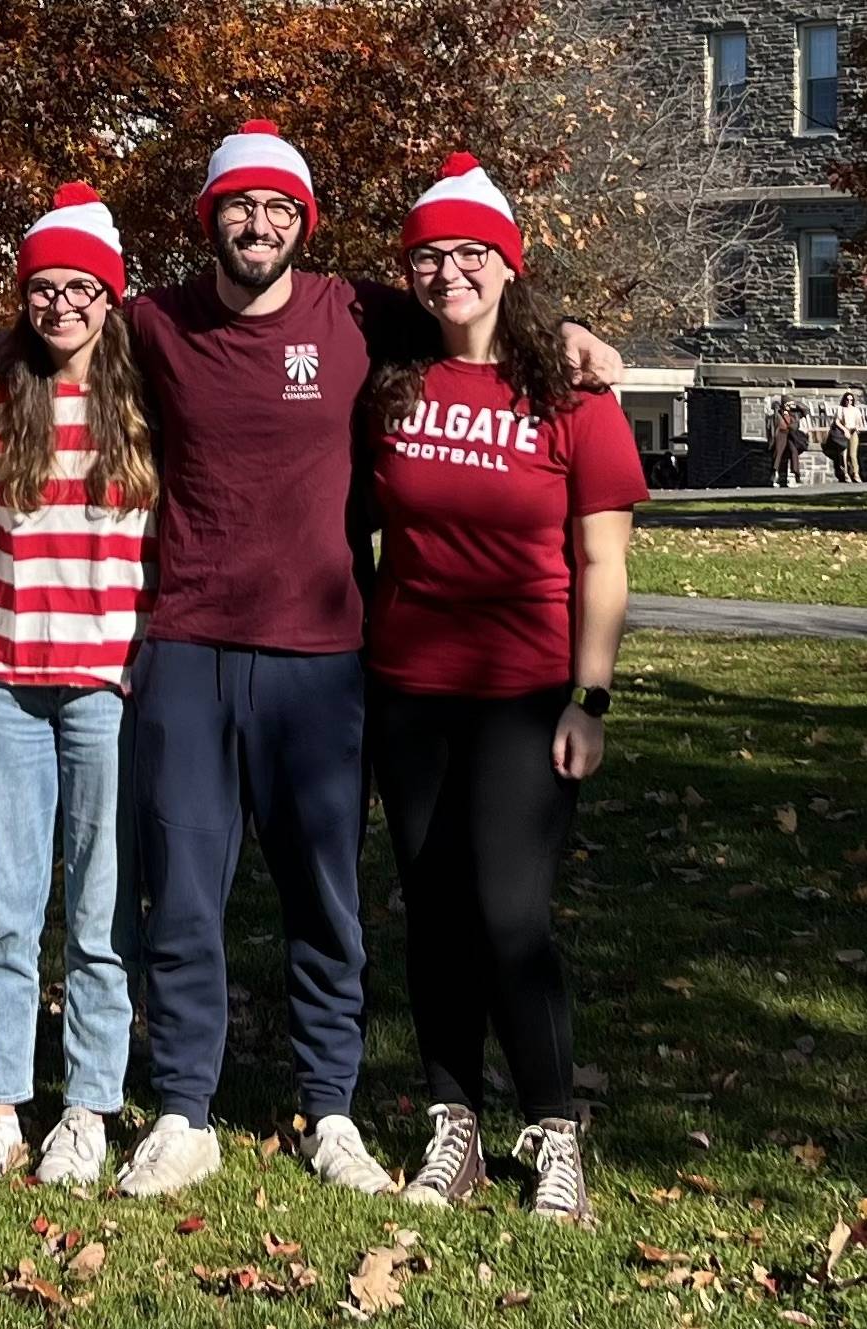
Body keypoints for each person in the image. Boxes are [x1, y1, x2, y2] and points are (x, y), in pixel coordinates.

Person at [114, 121, 624, 1199]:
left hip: (323, 656)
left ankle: (332, 1107)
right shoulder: (150, 322)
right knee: (186, 895)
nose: (257, 225)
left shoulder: (356, 315)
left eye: (280, 210)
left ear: (304, 223)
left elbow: (479, 304)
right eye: (238, 208)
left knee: (328, 899)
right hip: (191, 645)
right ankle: (180, 1110)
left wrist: (572, 331)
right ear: (207, 216)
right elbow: (32, 344)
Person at [365, 154, 647, 1223]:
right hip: (406, 689)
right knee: (431, 913)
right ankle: (453, 1125)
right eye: (428, 256)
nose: (447, 273)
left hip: (526, 691)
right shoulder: (386, 380)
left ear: (506, 266)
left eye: (469, 253)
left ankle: (554, 1128)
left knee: (507, 912)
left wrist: (591, 698)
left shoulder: (570, 393)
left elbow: (603, 563)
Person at [0, 184, 156, 1188]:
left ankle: (86, 1105)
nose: (61, 305)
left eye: (81, 288)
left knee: (104, 905)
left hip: (108, 682)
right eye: (43, 288)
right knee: (3, 901)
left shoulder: (146, 395)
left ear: (109, 298)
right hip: (8, 676)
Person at [771, 400, 801, 488]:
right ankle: (775, 475)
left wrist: (796, 403)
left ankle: (794, 474)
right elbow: (776, 425)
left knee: (793, 452)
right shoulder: (778, 413)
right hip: (781, 434)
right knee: (778, 453)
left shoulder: (794, 413)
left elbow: (805, 410)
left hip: (791, 435)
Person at [834, 391, 862, 483]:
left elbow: (858, 422)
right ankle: (845, 474)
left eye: (851, 400)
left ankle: (855, 473)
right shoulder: (840, 409)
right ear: (844, 400)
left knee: (853, 454)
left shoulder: (856, 410)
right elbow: (837, 421)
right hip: (843, 432)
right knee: (844, 454)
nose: (849, 401)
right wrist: (844, 430)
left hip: (853, 432)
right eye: (847, 399)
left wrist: (857, 427)